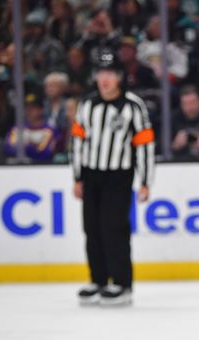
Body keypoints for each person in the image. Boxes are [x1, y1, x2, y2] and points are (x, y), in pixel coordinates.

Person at [70, 51, 155, 306]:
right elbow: (77, 141)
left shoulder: (133, 105)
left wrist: (145, 181)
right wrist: (77, 176)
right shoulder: (87, 104)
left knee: (114, 229)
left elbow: (145, 145)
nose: (104, 79)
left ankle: (121, 283)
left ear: (119, 77)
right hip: (91, 175)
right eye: (100, 74)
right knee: (92, 228)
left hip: (119, 175)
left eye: (110, 74)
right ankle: (98, 280)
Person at [4, 91, 62, 162]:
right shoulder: (16, 129)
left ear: (41, 110)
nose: (29, 110)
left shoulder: (50, 131)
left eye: (33, 107)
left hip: (39, 169)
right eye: (26, 107)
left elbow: (44, 153)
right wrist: (32, 146)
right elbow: (8, 149)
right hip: (15, 168)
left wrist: (23, 147)